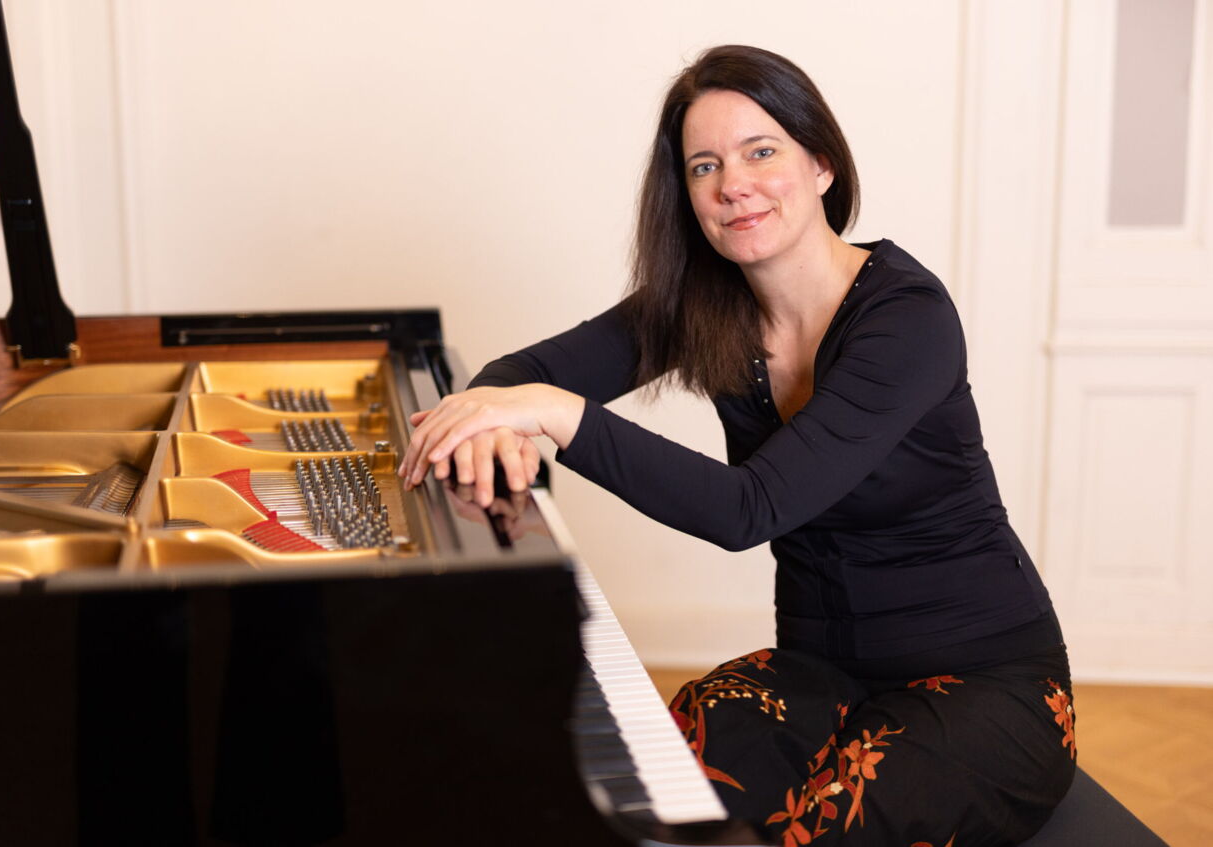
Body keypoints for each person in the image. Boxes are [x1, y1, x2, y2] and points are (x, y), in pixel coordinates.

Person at [398, 44, 1075, 846]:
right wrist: (500, 422)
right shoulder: (705, 306)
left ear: (821, 163)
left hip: (986, 679)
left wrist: (552, 414)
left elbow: (747, 508)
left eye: (761, 152)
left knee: (819, 824)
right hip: (823, 674)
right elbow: (520, 375)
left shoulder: (908, 318)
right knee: (663, 790)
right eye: (704, 167)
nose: (733, 185)